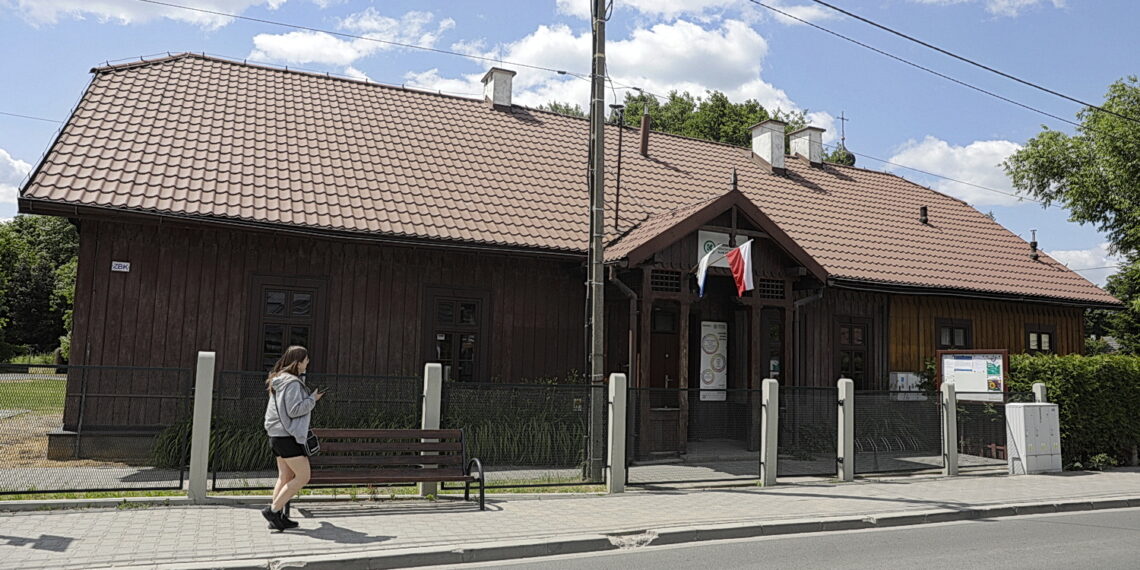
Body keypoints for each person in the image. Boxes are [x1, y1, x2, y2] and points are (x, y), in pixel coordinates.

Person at [261, 345, 324, 531]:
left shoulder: (278, 379)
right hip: (287, 437)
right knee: (304, 476)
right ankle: (273, 511)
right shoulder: (292, 383)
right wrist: (313, 399)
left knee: (285, 476)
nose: (308, 363)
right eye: (306, 360)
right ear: (298, 362)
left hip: (276, 435)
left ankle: (277, 518)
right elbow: (294, 410)